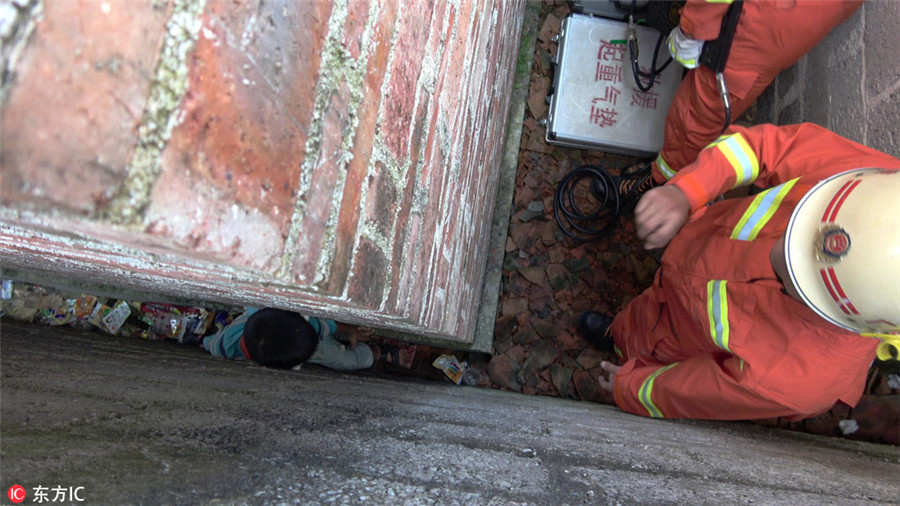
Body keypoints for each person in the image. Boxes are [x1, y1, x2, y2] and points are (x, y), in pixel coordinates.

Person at [579, 122, 900, 420]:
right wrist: (687, 191)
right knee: (653, 303)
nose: (777, 251)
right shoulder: (875, 186)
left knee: (643, 332)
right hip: (699, 241)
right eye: (797, 226)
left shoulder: (803, 379)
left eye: (793, 277)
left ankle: (620, 339)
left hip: (678, 330)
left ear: (841, 316)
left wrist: (629, 388)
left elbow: (691, 391)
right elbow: (759, 148)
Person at [615, 0, 865, 199]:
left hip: (762, 19)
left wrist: (693, 29)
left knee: (696, 117)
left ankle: (662, 181)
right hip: (811, 12)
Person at [202, 307, 374, 371]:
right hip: (305, 345)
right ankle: (375, 353)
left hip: (300, 340)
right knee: (362, 358)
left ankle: (372, 352)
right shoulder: (262, 313)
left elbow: (208, 343)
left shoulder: (223, 347)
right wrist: (351, 331)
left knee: (352, 359)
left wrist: (351, 331)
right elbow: (322, 326)